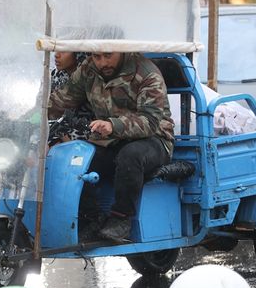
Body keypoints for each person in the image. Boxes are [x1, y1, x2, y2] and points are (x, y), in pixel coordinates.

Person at [49, 51, 174, 242]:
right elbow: (61, 100)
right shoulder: (88, 69)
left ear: (121, 50)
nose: (102, 62)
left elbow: (151, 121)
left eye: (108, 56)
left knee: (129, 156)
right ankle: (92, 218)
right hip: (111, 141)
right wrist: (28, 117)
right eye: (97, 57)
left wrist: (113, 125)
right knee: (77, 160)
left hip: (154, 140)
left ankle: (121, 220)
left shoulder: (147, 73)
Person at [48, 51, 92, 145]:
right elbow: (43, 107)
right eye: (56, 50)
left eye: (63, 51)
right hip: (56, 127)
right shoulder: (54, 75)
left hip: (85, 134)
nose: (57, 55)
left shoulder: (89, 74)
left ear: (77, 53)